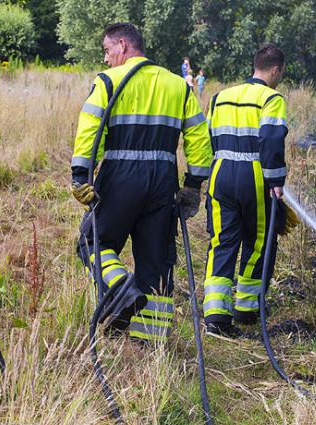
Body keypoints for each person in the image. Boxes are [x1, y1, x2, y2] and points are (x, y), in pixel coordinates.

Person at [70, 23, 212, 343]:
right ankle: (149, 339)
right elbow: (199, 138)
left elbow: (89, 128)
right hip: (163, 179)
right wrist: (192, 184)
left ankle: (121, 291)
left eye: (107, 50)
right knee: (156, 260)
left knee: (91, 243)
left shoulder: (108, 81)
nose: (106, 59)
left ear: (122, 45)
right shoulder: (178, 86)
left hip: (120, 176)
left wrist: (81, 175)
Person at [201, 44, 288, 336]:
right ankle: (247, 310)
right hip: (254, 175)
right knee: (258, 240)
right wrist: (276, 181)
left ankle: (215, 315)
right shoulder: (272, 98)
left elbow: (208, 137)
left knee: (221, 242)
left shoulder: (220, 97)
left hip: (220, 172)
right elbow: (272, 140)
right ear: (275, 70)